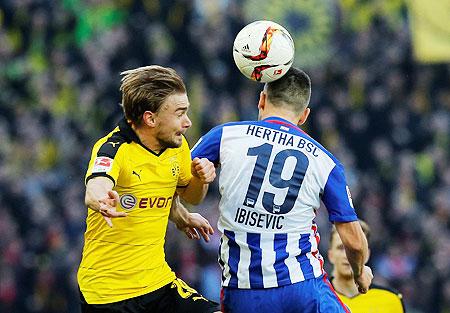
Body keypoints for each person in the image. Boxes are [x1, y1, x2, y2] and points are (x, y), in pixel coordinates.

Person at [190, 67, 373, 313]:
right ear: (304, 115)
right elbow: (353, 240)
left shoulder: (225, 135)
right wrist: (360, 273)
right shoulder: (324, 161)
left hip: (243, 290)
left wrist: (187, 203)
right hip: (302, 286)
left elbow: (179, 182)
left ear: (262, 100)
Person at [78, 65, 220, 313]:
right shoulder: (113, 149)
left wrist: (201, 179)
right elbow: (97, 184)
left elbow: (192, 196)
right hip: (107, 295)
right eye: (180, 113)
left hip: (158, 282)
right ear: (150, 118)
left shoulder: (177, 147)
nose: (187, 122)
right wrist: (101, 201)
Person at [328, 220, 405, 312]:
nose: (347, 256)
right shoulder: (315, 298)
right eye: (341, 248)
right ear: (331, 255)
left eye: (355, 249)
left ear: (367, 255)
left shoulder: (390, 300)